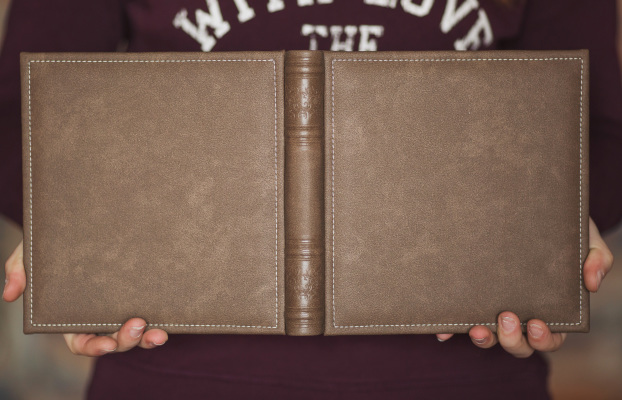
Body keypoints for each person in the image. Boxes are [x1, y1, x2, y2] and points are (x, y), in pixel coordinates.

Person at [1, 0, 619, 398]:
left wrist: (558, 228)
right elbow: (23, 118)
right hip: (172, 371)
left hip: (463, 373)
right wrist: (68, 231)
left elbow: (596, 125)